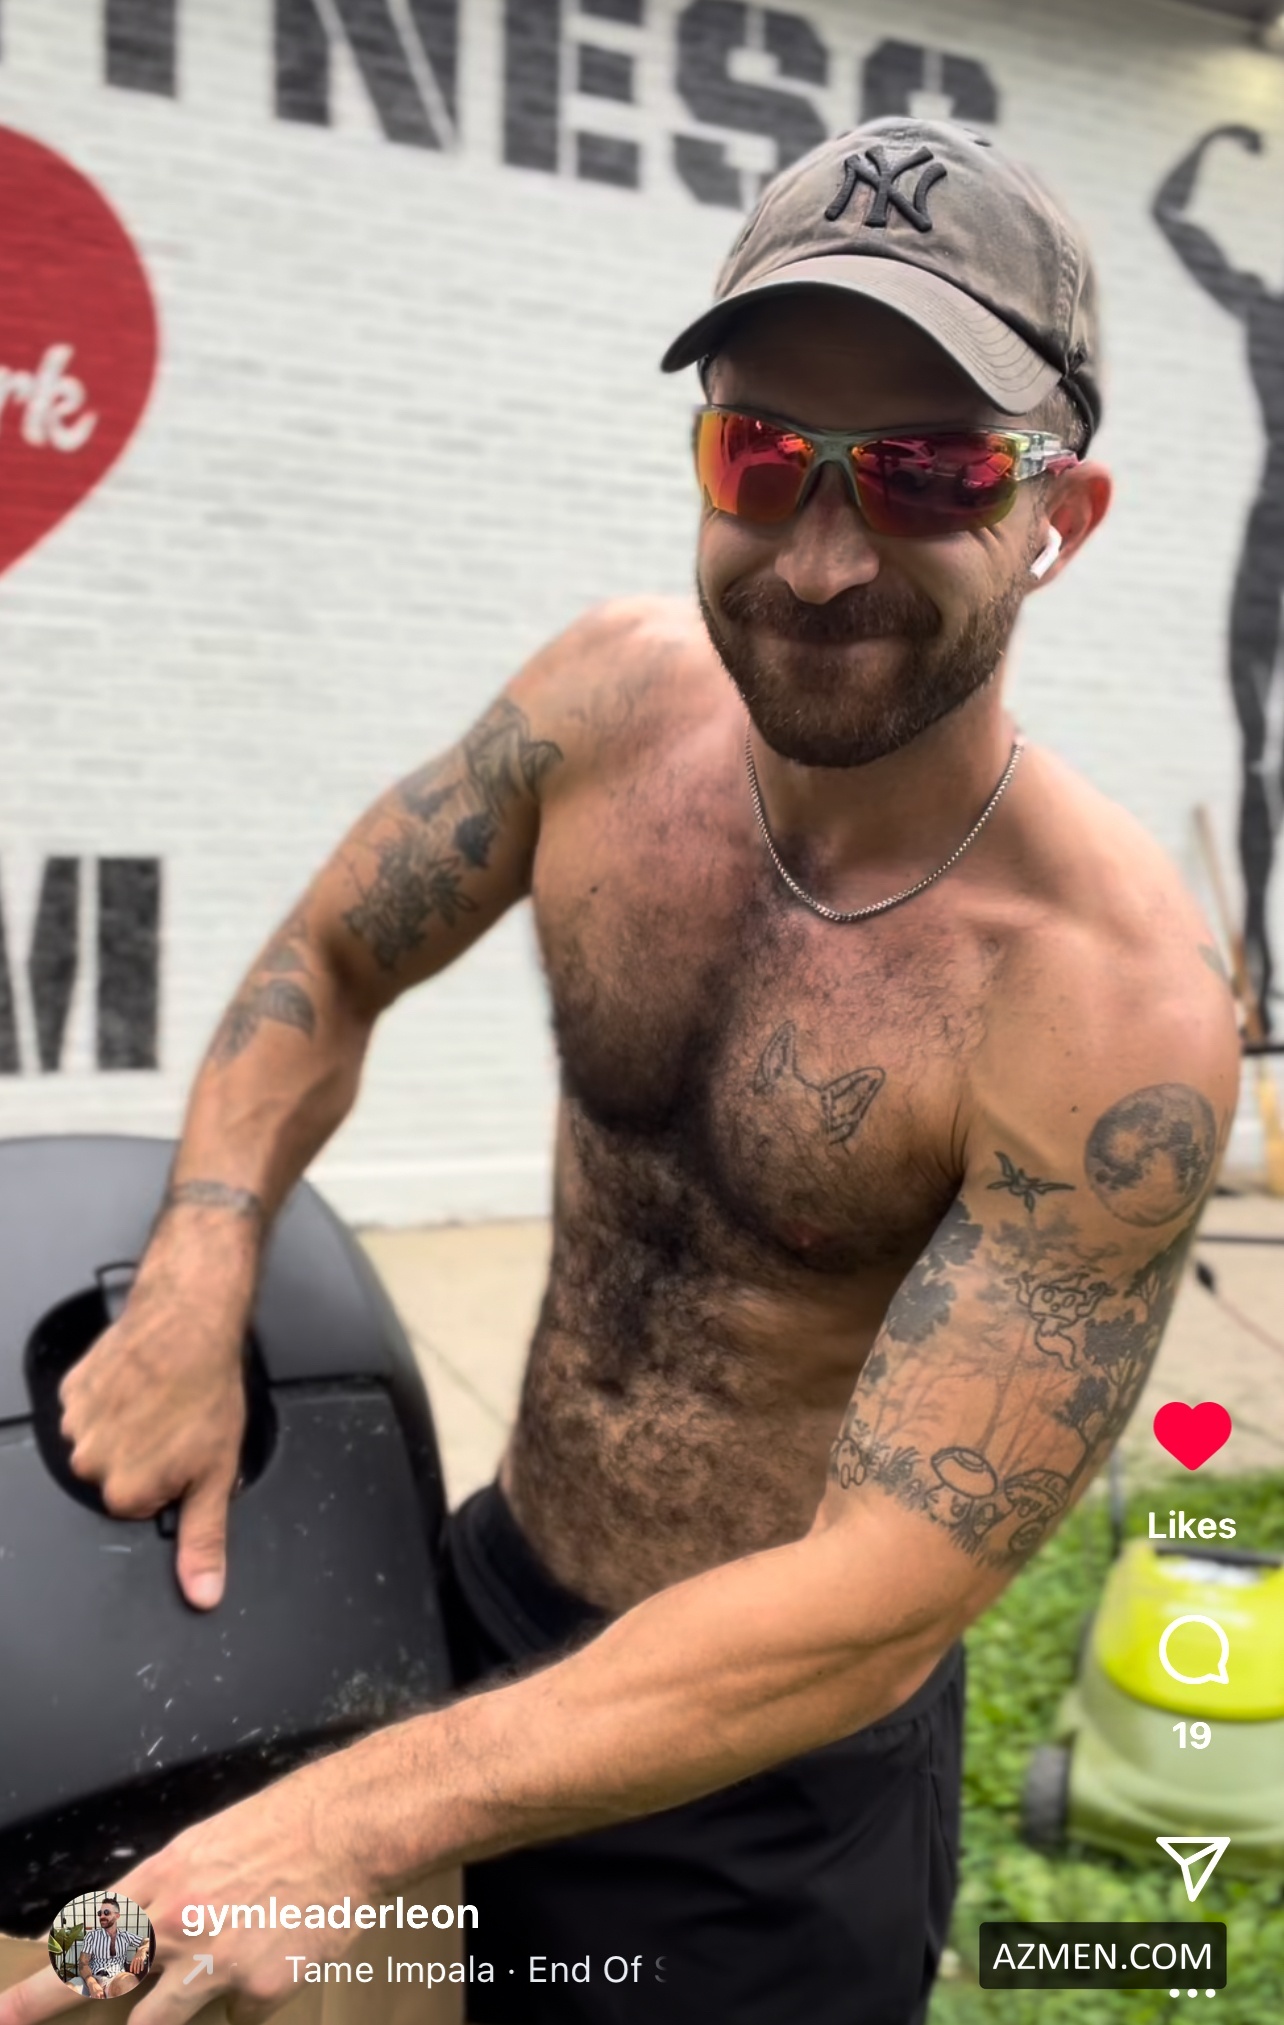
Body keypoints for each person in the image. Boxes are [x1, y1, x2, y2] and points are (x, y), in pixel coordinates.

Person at [2, 118, 1237, 2025]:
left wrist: (350, 1817)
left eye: (925, 475)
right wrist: (199, 1254)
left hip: (755, 1801)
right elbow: (329, 959)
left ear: (1054, 519)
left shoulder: (1103, 1005)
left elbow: (885, 1589)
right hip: (477, 1608)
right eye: (763, 457)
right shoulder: (599, 711)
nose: (817, 557)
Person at [1155, 124, 1284, 1027]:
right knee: (1255, 754)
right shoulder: (1267, 311)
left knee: (1260, 755)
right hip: (1269, 535)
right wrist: (1211, 136)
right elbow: (1170, 215)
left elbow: (1172, 213)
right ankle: (1262, 966)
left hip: (1267, 531)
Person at [74, 1901, 148, 2001]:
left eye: (106, 1912)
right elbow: (83, 1963)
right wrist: (92, 1983)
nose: (102, 1916)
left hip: (115, 1979)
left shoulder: (125, 1936)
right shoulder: (92, 1936)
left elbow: (148, 1941)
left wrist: (142, 1949)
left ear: (117, 1916)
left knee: (129, 1981)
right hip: (92, 1977)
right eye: (100, 1913)